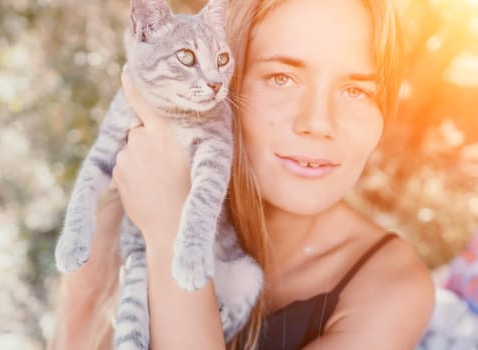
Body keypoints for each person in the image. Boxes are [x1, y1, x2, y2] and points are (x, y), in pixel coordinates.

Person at [50, 0, 435, 349]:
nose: (318, 123)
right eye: (281, 78)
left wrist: (172, 232)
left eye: (356, 91)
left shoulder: (390, 290)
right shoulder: (108, 233)